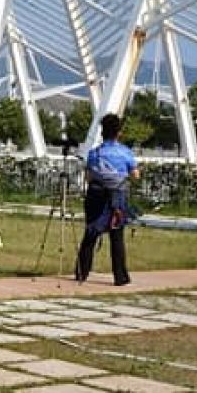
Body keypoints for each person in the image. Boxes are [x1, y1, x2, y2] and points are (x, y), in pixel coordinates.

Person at [77, 113, 139, 286]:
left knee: (90, 234)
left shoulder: (95, 153)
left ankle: (82, 272)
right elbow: (135, 174)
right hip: (117, 198)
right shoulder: (125, 152)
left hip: (96, 196)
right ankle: (120, 276)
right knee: (117, 237)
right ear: (119, 132)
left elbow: (89, 177)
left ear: (102, 132)